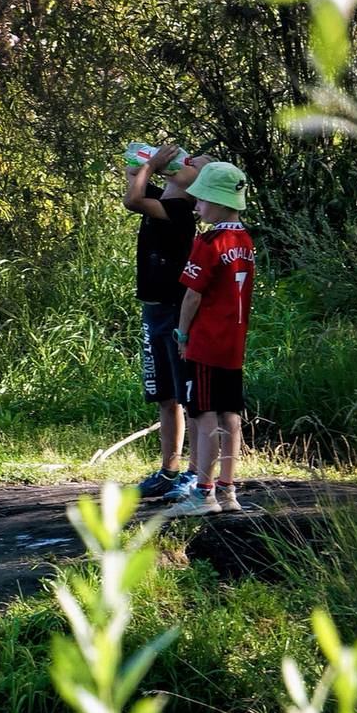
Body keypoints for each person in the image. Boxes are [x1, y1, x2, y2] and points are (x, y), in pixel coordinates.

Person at [166, 162, 254, 516]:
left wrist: (182, 334)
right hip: (233, 344)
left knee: (203, 416)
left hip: (205, 343)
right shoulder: (244, 240)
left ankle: (204, 494)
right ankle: (228, 490)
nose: (198, 206)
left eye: (202, 200)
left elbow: (192, 295)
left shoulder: (209, 242)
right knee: (230, 415)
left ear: (218, 202)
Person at [122, 141, 207, 500]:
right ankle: (168, 471)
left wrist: (153, 163)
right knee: (164, 395)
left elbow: (133, 200)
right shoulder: (164, 197)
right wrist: (143, 161)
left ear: (196, 186)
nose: (181, 162)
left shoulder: (179, 210)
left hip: (175, 311)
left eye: (190, 163)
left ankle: (195, 473)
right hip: (153, 309)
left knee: (187, 395)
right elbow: (133, 179)